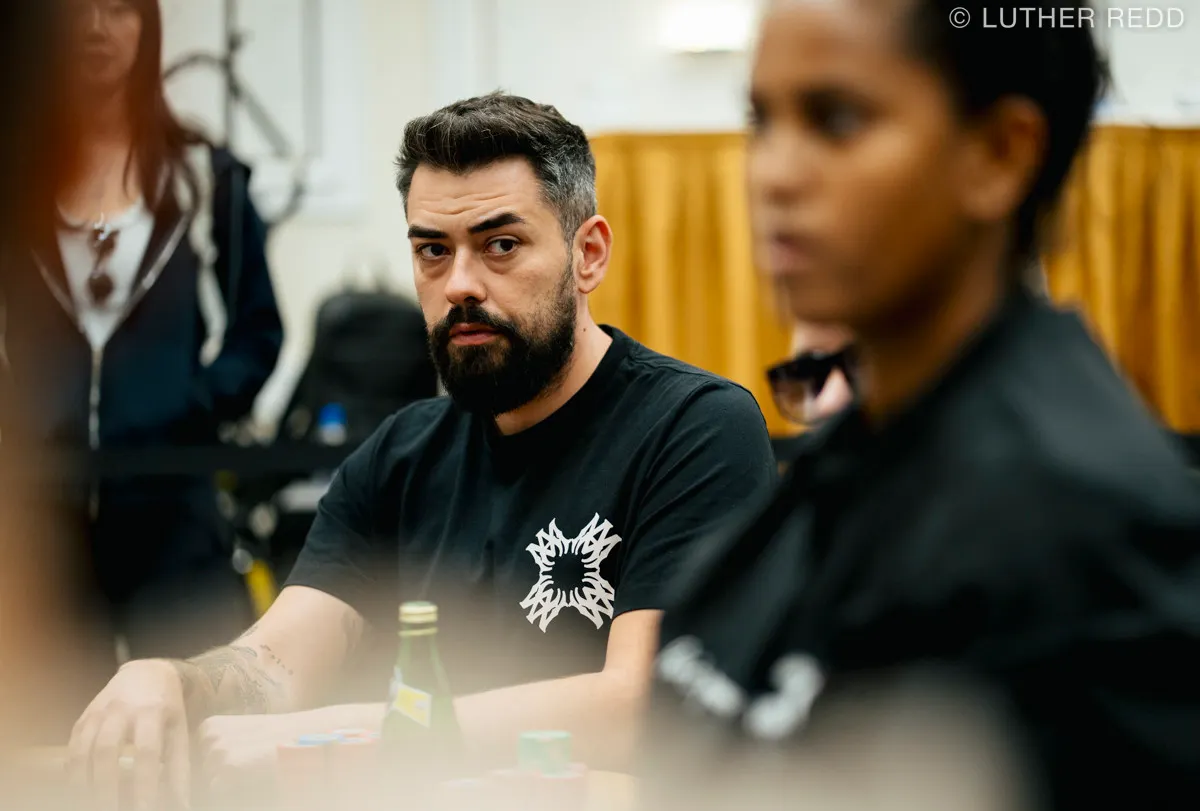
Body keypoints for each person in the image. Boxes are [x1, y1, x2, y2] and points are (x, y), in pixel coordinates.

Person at [68, 92, 778, 809]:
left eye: (501, 245)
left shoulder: (695, 429)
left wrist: (366, 734)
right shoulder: (399, 454)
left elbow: (645, 706)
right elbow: (275, 665)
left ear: (587, 254)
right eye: (433, 251)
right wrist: (174, 680)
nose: (460, 285)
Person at [650, 1, 1200, 809]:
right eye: (762, 119)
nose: (773, 173)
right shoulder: (855, 452)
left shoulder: (1078, 519)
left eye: (837, 119)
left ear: (999, 155)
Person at [0, 0, 283, 668]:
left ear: (148, 26)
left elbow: (257, 331)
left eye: (120, 7)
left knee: (192, 703)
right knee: (50, 720)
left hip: (174, 509)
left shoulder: (205, 178)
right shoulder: (18, 182)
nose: (96, 26)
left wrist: (190, 405)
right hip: (42, 517)